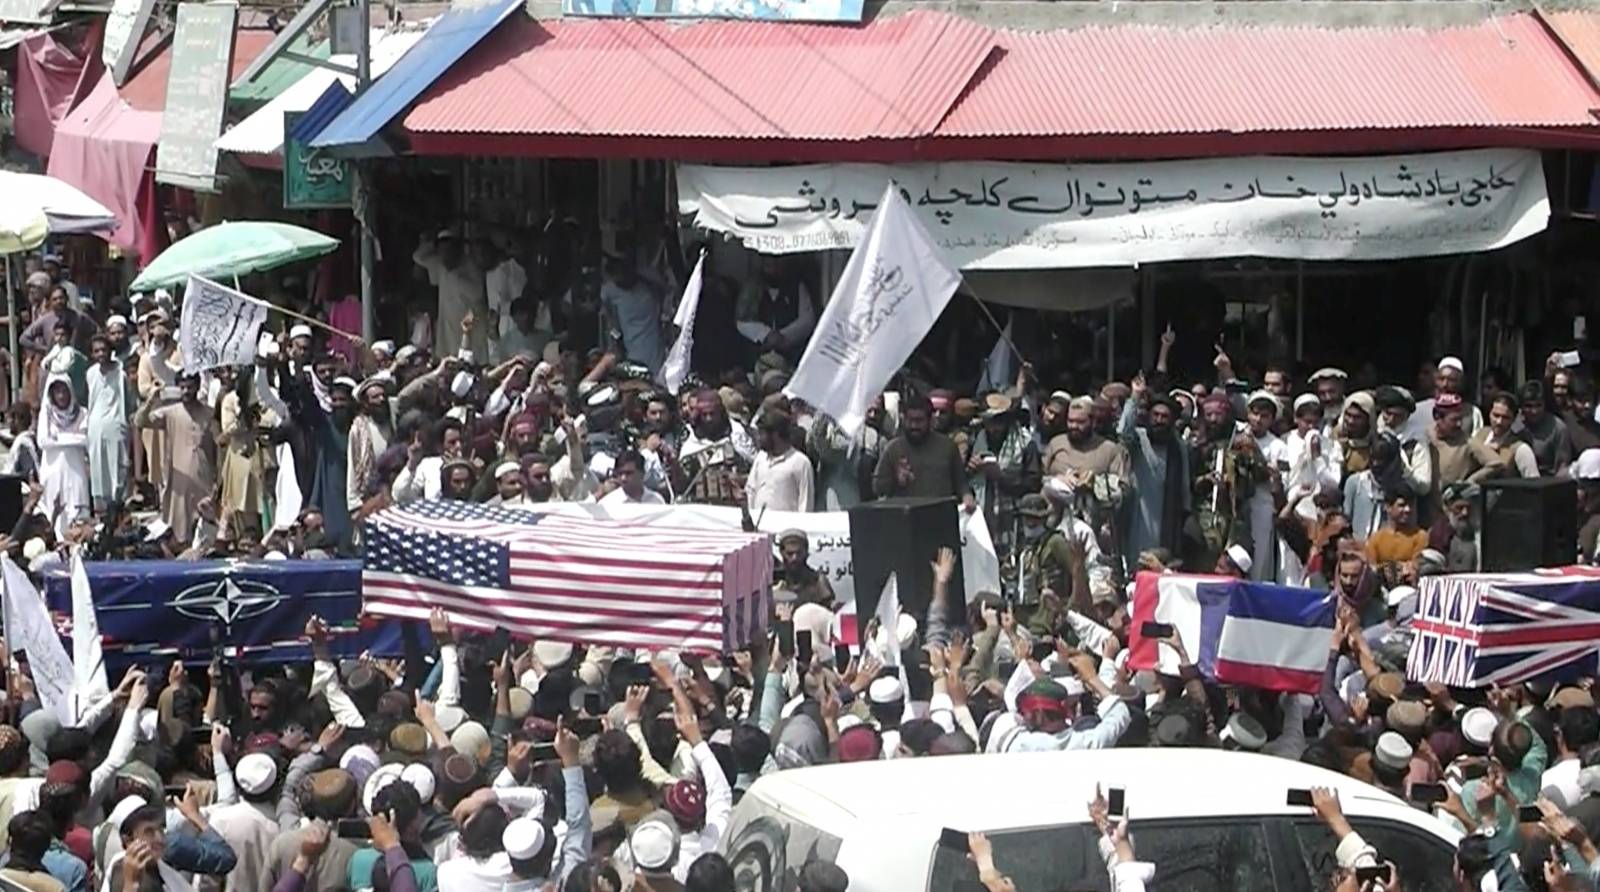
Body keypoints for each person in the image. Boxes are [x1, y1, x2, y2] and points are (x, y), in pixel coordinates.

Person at [134, 371, 219, 545]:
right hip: (178, 486)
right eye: (183, 387)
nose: (186, 391)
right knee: (180, 537)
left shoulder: (209, 414)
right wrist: (152, 399)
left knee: (205, 535)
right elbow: (140, 421)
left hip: (204, 483)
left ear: (197, 387)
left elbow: (218, 448)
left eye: (190, 387)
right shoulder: (170, 413)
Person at [1118, 374, 1189, 563]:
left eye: (1165, 417)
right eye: (1155, 415)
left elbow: (1184, 485)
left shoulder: (1177, 446)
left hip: (1167, 516)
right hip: (1138, 512)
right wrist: (1134, 398)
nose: (1159, 420)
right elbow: (1123, 432)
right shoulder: (1139, 439)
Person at [967, 393, 1040, 557]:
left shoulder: (1025, 443)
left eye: (998, 422)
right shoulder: (977, 439)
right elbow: (963, 478)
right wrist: (970, 469)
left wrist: (1000, 477)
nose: (994, 427)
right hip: (983, 515)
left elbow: (1033, 484)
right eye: (990, 422)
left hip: (1014, 519)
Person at [873, 393, 972, 508]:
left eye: (919, 421)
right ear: (903, 419)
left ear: (930, 420)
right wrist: (895, 479)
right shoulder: (893, 449)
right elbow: (877, 489)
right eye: (910, 420)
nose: (914, 425)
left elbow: (961, 483)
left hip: (941, 514)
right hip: (905, 517)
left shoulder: (947, 447)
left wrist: (967, 497)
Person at [413, 230, 490, 360]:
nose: (446, 255)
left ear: (457, 249)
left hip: (470, 330)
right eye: (442, 251)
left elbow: (478, 294)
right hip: (447, 330)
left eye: (449, 250)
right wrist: (433, 242)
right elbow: (418, 256)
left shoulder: (471, 266)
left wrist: (456, 276)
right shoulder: (440, 266)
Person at [36, 375, 90, 539]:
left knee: (77, 514)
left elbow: (87, 440)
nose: (61, 396)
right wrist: (73, 438)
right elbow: (43, 441)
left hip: (75, 472)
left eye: (64, 391)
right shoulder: (46, 414)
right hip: (53, 472)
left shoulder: (82, 413)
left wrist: (59, 439)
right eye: (57, 392)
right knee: (54, 514)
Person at [736, 256, 815, 364]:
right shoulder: (752, 288)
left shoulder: (797, 287)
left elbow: (807, 320)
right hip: (758, 358)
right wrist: (765, 335)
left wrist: (782, 337)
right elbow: (742, 320)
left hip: (791, 358)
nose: (772, 266)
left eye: (776, 261)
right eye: (768, 263)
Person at [84, 335, 131, 514]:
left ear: (110, 351)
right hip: (95, 425)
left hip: (115, 424)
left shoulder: (120, 374)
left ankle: (118, 508)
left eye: (104, 350)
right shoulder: (91, 373)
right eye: (96, 351)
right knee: (98, 468)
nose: (101, 354)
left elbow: (127, 401)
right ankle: (101, 511)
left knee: (117, 467)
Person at [1043, 396, 1129, 489]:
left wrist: (1095, 483)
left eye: (1080, 422)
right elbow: (1038, 478)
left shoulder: (1110, 449)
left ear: (1093, 422)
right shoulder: (1056, 443)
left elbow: (1123, 487)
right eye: (1070, 421)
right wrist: (1056, 480)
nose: (1074, 426)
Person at [745, 411, 813, 515]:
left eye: (762, 434)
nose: (759, 438)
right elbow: (751, 491)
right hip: (759, 525)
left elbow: (805, 503)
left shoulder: (800, 462)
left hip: (786, 528)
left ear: (775, 434)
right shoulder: (760, 458)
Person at [1364, 493, 1427, 587]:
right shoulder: (1375, 539)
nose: (1408, 510)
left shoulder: (1420, 536)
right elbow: (1371, 569)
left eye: (1411, 505)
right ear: (1388, 507)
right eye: (1402, 505)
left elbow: (1418, 567)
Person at [1472, 392, 1539, 480]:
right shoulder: (1479, 436)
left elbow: (1534, 482)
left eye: (1505, 417)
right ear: (1489, 414)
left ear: (1514, 419)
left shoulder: (1521, 449)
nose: (1499, 422)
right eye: (1496, 415)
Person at [1515, 380, 1571, 477]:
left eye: (1538, 405)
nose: (1534, 411)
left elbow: (1562, 466)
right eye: (1529, 406)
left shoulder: (1558, 428)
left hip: (1547, 483)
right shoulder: (1515, 425)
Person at [1417, 357, 1484, 436]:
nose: (1445, 385)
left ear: (1461, 383)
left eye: (1452, 380)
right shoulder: (1419, 410)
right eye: (1441, 379)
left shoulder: (1473, 413)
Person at [773, 530, 835, 607]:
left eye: (799, 553)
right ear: (782, 553)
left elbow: (829, 612)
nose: (794, 558)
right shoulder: (775, 581)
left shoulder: (818, 581)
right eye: (790, 554)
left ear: (806, 552)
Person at [601, 450, 666, 505]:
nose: (623, 478)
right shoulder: (609, 503)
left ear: (642, 474)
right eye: (620, 473)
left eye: (629, 473)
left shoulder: (657, 501)